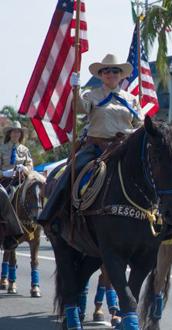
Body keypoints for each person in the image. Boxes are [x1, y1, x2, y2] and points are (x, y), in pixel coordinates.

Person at [38, 54, 143, 226]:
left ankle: (159, 215)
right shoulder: (92, 96)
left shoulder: (131, 99)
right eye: (106, 71)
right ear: (101, 75)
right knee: (72, 171)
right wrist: (76, 89)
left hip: (124, 148)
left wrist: (134, 133)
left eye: (115, 70)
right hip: (97, 147)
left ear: (121, 74)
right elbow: (80, 110)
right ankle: (53, 215)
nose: (111, 73)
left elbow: (139, 123)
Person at [0, 121, 31, 249]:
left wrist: (24, 168)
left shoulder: (25, 149)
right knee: (6, 194)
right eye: (14, 131)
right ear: (9, 133)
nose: (16, 133)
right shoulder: (1, 148)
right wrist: (4, 173)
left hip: (21, 179)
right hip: (4, 180)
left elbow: (30, 165)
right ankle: (11, 229)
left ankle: (37, 223)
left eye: (18, 131)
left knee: (36, 190)